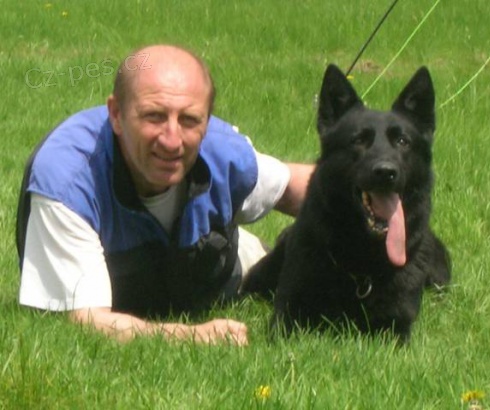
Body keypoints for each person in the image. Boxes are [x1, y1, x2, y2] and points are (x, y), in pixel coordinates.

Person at [16, 44, 313, 346]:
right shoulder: (67, 181)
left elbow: (298, 189)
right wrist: (195, 335)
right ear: (116, 114)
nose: (172, 141)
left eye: (190, 120)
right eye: (154, 117)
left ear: (207, 121)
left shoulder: (223, 151)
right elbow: (86, 320)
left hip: (229, 267)